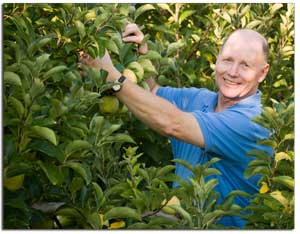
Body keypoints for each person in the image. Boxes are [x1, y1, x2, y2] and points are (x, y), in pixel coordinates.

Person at [79, 23, 272, 228]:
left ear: (262, 73)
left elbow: (172, 123)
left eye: (245, 65)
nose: (233, 72)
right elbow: (152, 93)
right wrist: (140, 56)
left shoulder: (252, 123)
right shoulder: (200, 100)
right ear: (217, 60)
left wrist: (111, 76)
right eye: (227, 60)